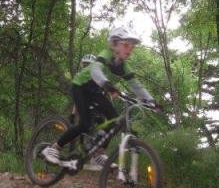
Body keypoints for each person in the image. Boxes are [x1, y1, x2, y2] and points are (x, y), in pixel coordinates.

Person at [42, 26, 155, 168]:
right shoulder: (106, 54)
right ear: (114, 44)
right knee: (85, 124)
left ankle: (97, 155)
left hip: (96, 90)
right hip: (80, 86)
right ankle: (54, 148)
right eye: (126, 45)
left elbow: (136, 85)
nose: (130, 49)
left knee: (114, 120)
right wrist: (107, 84)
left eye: (132, 47)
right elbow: (95, 70)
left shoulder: (123, 66)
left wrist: (151, 101)